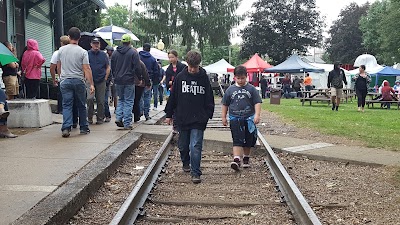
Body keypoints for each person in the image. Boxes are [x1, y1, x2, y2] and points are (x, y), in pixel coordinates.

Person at [164, 50, 214, 184]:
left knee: (195, 145)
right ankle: (186, 162)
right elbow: (173, 97)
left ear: (199, 65)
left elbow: (209, 97)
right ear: (187, 64)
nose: (192, 70)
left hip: (198, 118)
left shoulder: (204, 78)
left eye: (195, 67)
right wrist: (169, 114)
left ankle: (195, 172)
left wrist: (208, 114)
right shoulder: (180, 77)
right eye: (190, 67)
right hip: (182, 117)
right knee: (183, 145)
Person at [221, 66, 262, 171]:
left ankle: (246, 157)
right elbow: (225, 104)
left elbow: (257, 102)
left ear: (246, 77)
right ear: (235, 78)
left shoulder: (251, 89)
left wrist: (257, 115)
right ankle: (237, 159)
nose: (240, 80)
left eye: (242, 78)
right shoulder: (230, 90)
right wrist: (223, 116)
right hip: (235, 117)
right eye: (238, 78)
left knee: (248, 139)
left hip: (248, 118)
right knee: (237, 139)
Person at [56, 27, 95, 138]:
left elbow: (59, 65)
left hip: (65, 80)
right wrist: (91, 83)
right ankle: (83, 127)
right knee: (81, 105)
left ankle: (66, 127)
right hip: (78, 80)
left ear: (69, 37)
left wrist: (60, 77)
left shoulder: (61, 50)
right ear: (79, 38)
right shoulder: (82, 52)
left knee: (67, 105)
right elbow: (86, 68)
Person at [111, 34, 141, 129]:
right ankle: (127, 123)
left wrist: (114, 76)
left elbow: (112, 66)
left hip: (118, 80)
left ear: (122, 41)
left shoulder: (115, 53)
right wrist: (139, 78)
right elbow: (137, 67)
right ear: (130, 42)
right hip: (129, 80)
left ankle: (119, 117)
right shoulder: (133, 53)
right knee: (128, 101)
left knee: (121, 99)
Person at [87, 38, 110, 125]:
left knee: (101, 100)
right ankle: (89, 118)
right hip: (90, 80)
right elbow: (84, 66)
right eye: (94, 43)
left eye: (97, 43)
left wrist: (105, 77)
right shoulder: (87, 54)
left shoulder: (104, 55)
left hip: (101, 80)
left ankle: (100, 118)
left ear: (100, 45)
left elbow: (107, 67)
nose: (96, 45)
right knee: (90, 99)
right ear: (91, 44)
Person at [139, 43, 159, 118]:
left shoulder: (138, 57)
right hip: (149, 79)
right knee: (147, 97)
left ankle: (140, 111)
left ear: (143, 48)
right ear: (149, 49)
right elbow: (156, 71)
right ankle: (146, 114)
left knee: (139, 96)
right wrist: (154, 81)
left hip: (139, 79)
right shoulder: (153, 59)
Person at [104, 46, 115, 122]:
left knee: (114, 95)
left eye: (109, 50)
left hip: (111, 79)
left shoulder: (114, 58)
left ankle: (116, 108)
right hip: (105, 79)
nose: (108, 52)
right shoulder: (105, 58)